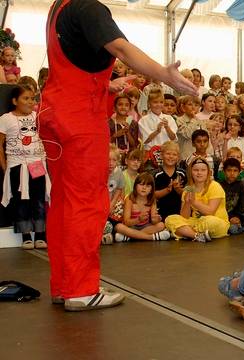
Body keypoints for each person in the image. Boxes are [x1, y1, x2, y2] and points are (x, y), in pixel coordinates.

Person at [39, 0, 196, 311]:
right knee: (86, 203)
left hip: (56, 111)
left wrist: (107, 86)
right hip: (80, 120)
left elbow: (75, 58)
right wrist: (163, 75)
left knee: (64, 203)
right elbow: (122, 49)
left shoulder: (60, 7)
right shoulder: (89, 7)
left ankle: (65, 285)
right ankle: (81, 289)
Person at [0, 85, 49, 250]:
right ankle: (26, 235)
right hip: (17, 165)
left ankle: (41, 235)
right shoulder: (6, 119)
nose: (30, 102)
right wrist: (5, 165)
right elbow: (0, 144)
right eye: (25, 98)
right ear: (15, 101)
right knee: (21, 201)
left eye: (32, 98)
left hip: (36, 164)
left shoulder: (38, 116)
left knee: (39, 199)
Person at [165, 157, 229, 243]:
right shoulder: (188, 189)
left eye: (203, 170)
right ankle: (197, 235)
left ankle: (185, 232)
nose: (199, 173)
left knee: (210, 221)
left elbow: (210, 212)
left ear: (208, 172)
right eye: (196, 170)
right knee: (170, 219)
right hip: (197, 222)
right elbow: (184, 216)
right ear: (191, 172)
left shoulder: (215, 186)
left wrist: (194, 202)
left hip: (216, 222)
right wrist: (187, 203)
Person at [113, 173, 171, 242]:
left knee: (161, 225)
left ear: (151, 190)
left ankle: (129, 237)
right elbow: (126, 222)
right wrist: (138, 220)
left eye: (148, 186)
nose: (144, 188)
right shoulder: (130, 199)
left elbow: (153, 221)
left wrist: (157, 219)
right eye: (141, 184)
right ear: (135, 186)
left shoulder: (152, 200)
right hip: (131, 227)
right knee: (118, 227)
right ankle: (151, 237)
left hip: (145, 227)